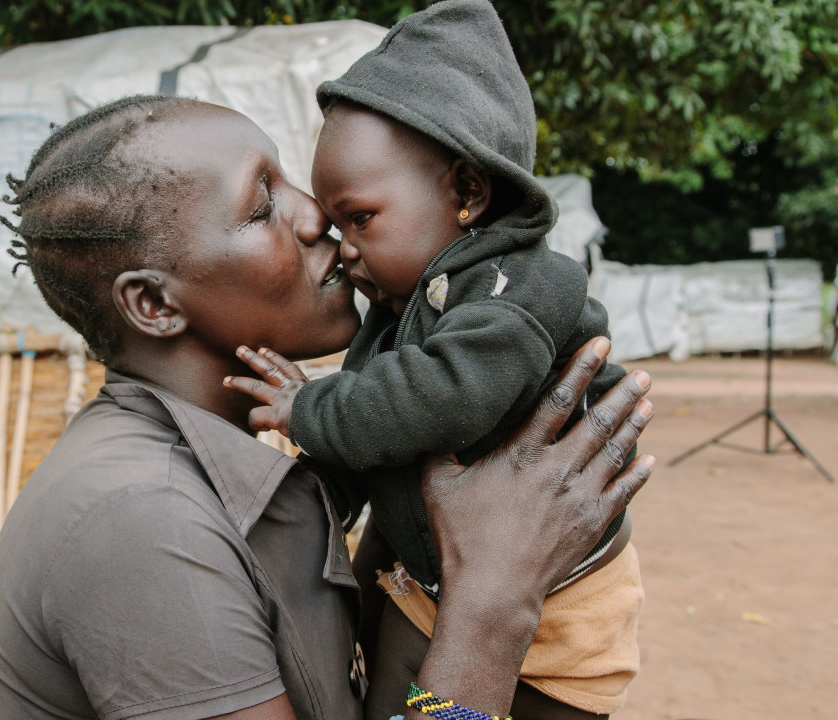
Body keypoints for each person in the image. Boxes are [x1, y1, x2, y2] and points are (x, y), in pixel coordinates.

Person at [0, 94, 654, 720]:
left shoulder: (243, 469)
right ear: (155, 304)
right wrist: (491, 599)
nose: (317, 215)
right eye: (261, 207)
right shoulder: (143, 518)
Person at [224, 2, 641, 716]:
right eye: (336, 223)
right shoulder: (402, 306)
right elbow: (374, 436)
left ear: (467, 193)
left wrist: (309, 408)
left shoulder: (513, 291)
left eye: (361, 218)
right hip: (433, 584)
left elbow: (439, 397)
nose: (343, 247)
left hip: (562, 606)